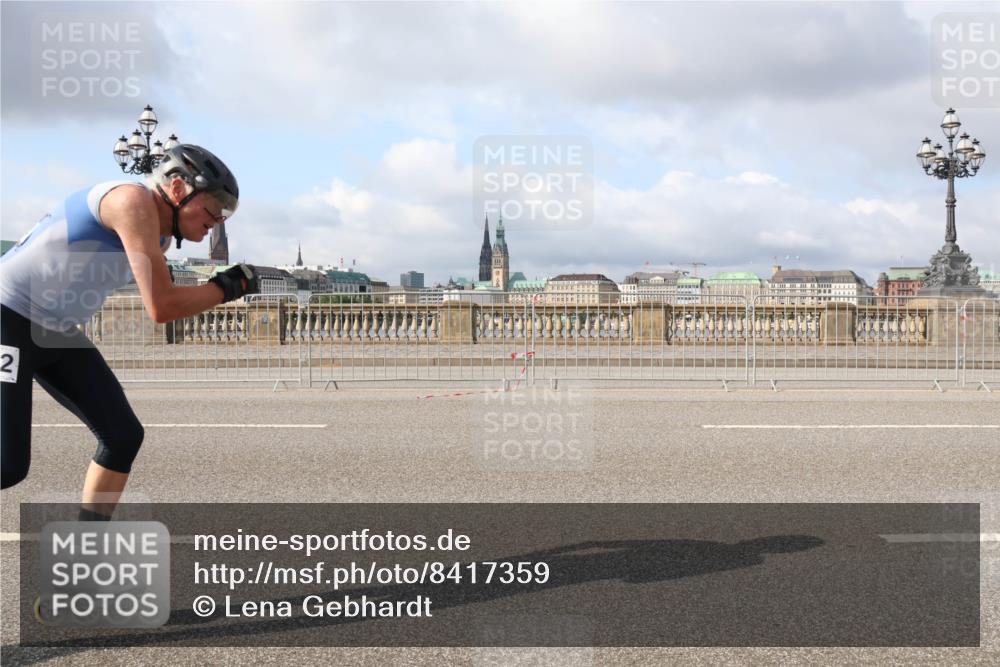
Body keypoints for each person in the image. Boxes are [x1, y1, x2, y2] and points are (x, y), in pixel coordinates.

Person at [0, 145, 259, 518]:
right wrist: (227, 287)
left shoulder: (162, 238)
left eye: (225, 212)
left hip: (54, 330)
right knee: (8, 465)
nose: (217, 219)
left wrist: (221, 287)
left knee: (122, 437)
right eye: (212, 206)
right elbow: (162, 307)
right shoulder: (130, 201)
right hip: (8, 317)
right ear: (176, 188)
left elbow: (171, 297)